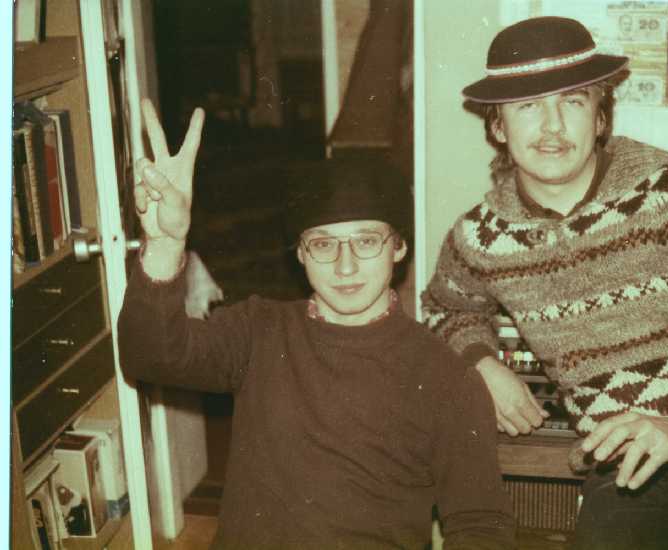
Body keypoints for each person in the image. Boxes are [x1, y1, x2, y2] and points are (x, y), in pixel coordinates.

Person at [422, 16, 668, 550]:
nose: (552, 127)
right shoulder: (480, 235)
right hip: (631, 464)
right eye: (528, 106)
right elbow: (445, 307)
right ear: (498, 127)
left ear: (600, 117)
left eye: (572, 102)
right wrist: (482, 362)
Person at [118, 99, 516, 549]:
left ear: (399, 247)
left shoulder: (446, 377)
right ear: (301, 254)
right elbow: (148, 355)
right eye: (324, 244)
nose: (345, 266)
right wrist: (165, 243)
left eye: (366, 241)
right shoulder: (258, 331)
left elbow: (481, 526)